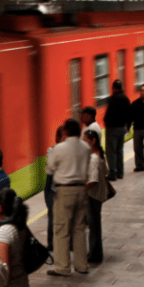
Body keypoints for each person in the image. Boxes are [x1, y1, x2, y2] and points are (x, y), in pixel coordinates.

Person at [46, 118, 92, 277]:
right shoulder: (86, 148)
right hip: (81, 190)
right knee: (79, 229)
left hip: (64, 191)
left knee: (61, 230)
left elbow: (50, 169)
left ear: (65, 132)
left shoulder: (59, 148)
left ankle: (62, 267)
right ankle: (82, 265)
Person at [83, 129, 110, 265]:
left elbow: (93, 181)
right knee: (95, 224)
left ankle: (94, 254)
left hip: (92, 196)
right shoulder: (100, 154)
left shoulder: (93, 157)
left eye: (85, 140)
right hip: (99, 195)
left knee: (93, 225)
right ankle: (96, 251)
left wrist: (82, 190)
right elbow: (106, 172)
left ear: (92, 141)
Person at [103, 80, 132, 181]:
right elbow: (130, 114)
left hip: (112, 128)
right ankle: (120, 172)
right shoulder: (126, 99)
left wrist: (106, 123)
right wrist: (128, 127)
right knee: (119, 151)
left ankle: (112, 173)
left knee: (111, 152)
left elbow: (108, 114)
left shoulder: (113, 99)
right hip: (122, 128)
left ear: (114, 88)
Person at [45, 126, 67, 250]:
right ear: (58, 138)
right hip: (54, 190)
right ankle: (51, 243)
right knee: (52, 216)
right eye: (64, 137)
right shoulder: (51, 151)